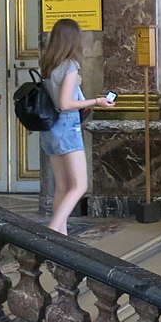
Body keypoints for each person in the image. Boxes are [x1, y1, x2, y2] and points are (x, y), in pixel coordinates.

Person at [38, 18, 114, 235]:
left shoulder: (48, 63)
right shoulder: (70, 66)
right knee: (79, 185)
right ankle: (52, 232)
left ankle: (61, 237)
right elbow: (65, 104)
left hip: (50, 129)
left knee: (62, 186)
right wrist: (97, 102)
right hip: (67, 127)